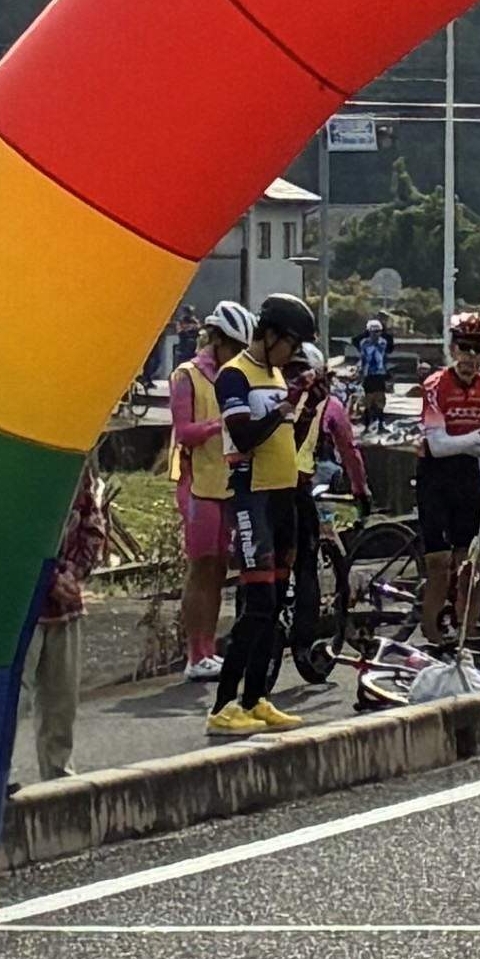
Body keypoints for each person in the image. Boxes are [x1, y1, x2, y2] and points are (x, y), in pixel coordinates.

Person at [203, 292, 330, 737]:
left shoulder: (275, 375)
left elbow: (285, 440)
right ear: (271, 334)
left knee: (274, 603)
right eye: (291, 344)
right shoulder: (234, 375)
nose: (292, 355)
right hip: (250, 494)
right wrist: (285, 404)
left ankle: (254, 699)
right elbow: (244, 435)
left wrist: (307, 407)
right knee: (257, 605)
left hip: (282, 493)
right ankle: (223, 705)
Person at [409, 310, 480, 671]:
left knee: (471, 567)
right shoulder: (436, 384)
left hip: (468, 477)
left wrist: (464, 441)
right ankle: (432, 641)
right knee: (438, 566)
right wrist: (476, 438)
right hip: (435, 477)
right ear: (452, 348)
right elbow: (437, 447)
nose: (470, 357)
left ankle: (469, 642)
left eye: (479, 349)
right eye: (464, 348)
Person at [164, 309, 243, 686]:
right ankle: (195, 654)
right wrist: (219, 424)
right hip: (197, 483)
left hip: (226, 481)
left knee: (219, 568)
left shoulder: (234, 376)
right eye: (235, 347)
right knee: (201, 565)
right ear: (218, 341)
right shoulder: (187, 376)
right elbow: (184, 432)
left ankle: (209, 650)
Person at [20, 459, 113, 779]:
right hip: (19, 602)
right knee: (12, 700)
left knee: (62, 702)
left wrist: (73, 572)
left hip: (64, 604)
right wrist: (49, 577)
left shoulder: (78, 464)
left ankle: (57, 776)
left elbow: (92, 521)